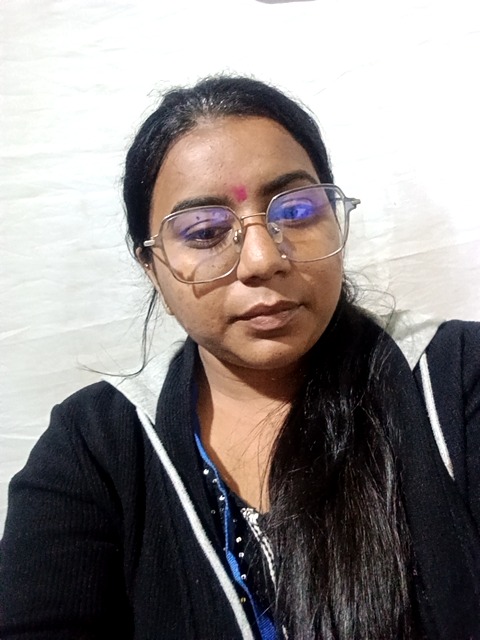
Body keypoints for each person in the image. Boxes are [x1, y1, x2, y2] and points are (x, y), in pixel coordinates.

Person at [1, 76, 479, 640]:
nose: (261, 259)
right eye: (205, 232)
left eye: (296, 210)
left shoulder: (455, 380)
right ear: (153, 268)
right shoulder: (95, 447)